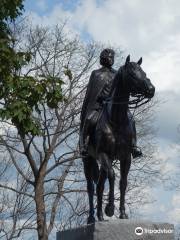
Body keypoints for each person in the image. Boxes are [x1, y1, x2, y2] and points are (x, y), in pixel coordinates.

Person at [80, 48, 142, 158]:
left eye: (112, 58)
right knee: (89, 119)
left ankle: (134, 146)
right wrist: (85, 110)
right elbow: (90, 94)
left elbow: (124, 88)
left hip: (115, 106)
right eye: (108, 57)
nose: (111, 60)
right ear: (103, 59)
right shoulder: (96, 74)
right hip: (99, 106)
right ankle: (84, 145)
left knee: (131, 120)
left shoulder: (117, 73)